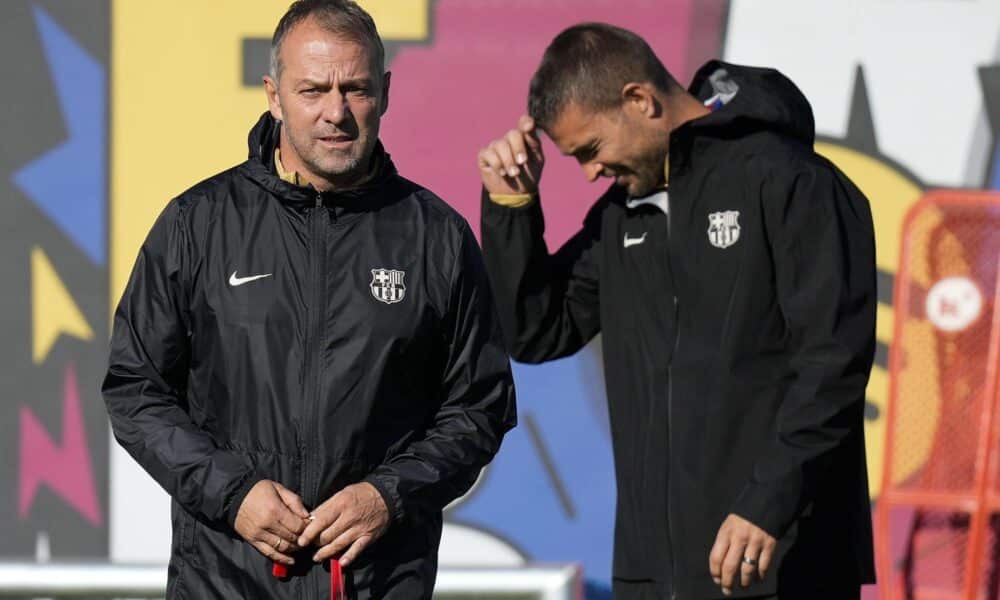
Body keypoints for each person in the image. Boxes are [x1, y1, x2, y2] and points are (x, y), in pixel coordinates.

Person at [102, 1, 516, 598]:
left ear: (387, 92)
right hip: (224, 579)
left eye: (356, 89)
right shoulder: (197, 224)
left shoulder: (436, 237)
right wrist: (233, 494)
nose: (336, 113)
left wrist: (388, 496)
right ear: (273, 95)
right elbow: (134, 388)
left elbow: (480, 406)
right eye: (313, 89)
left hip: (379, 581)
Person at [478, 23, 876, 599]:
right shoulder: (623, 215)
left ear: (639, 100)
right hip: (654, 575)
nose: (590, 172)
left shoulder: (790, 181)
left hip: (780, 560)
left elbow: (832, 367)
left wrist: (768, 505)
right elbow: (539, 331)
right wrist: (510, 204)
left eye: (591, 150)